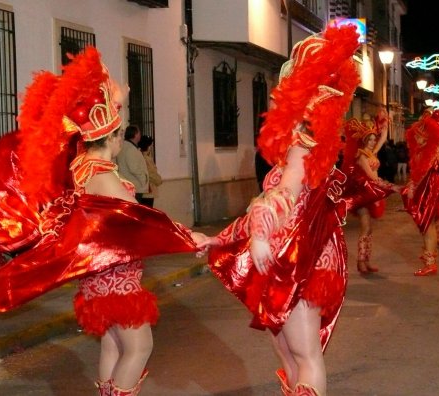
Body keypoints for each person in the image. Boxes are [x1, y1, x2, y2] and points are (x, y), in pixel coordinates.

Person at [0, 47, 199, 395]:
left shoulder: (79, 168)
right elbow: (140, 222)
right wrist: (189, 237)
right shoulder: (103, 174)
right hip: (116, 282)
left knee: (112, 347)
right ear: (115, 136)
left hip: (96, 282)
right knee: (139, 347)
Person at [194, 24, 360, 395]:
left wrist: (258, 231)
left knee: (305, 355)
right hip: (288, 253)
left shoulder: (304, 141)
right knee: (287, 350)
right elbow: (270, 200)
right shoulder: (301, 143)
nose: (274, 96)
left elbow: (285, 194)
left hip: (301, 257)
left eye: (283, 87)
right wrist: (219, 238)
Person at [341, 113, 400, 274]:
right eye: (371, 139)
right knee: (366, 227)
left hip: (369, 193)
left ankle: (365, 260)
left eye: (374, 139)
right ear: (364, 140)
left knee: (369, 229)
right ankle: (361, 262)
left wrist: (386, 127)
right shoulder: (361, 155)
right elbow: (373, 177)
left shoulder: (370, 152)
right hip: (361, 194)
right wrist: (392, 187)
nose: (374, 142)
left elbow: (382, 140)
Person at [402, 110, 439, 276]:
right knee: (428, 225)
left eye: (421, 136)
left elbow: (423, 173)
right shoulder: (421, 152)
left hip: (428, 190)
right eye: (417, 136)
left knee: (428, 225)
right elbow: (417, 173)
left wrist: (412, 186)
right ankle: (429, 257)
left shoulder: (430, 153)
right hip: (425, 190)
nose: (418, 139)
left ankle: (430, 263)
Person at [116, 125, 149, 205]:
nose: (140, 135)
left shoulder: (124, 146)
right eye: (139, 133)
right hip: (135, 186)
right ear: (135, 134)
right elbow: (134, 168)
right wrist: (143, 179)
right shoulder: (130, 149)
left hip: (129, 185)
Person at [138, 135, 163, 208]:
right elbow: (151, 173)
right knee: (147, 213)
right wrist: (159, 180)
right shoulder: (146, 159)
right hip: (148, 190)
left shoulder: (140, 156)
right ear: (148, 146)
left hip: (144, 189)